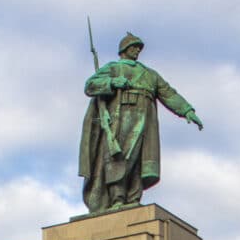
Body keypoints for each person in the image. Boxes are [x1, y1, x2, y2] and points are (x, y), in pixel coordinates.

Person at [79, 32, 203, 214]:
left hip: (145, 119)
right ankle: (117, 199)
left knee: (139, 159)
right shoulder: (113, 68)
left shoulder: (150, 74)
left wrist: (187, 111)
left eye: (139, 47)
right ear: (124, 50)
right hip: (120, 117)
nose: (137, 50)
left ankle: (133, 197)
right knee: (118, 158)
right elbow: (90, 85)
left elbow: (168, 93)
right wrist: (113, 82)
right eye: (133, 47)